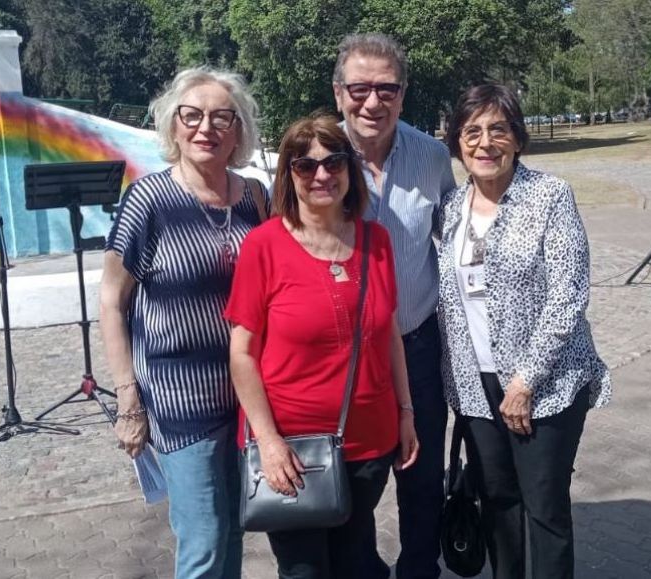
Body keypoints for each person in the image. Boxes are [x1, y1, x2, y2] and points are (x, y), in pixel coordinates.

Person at [225, 115, 419, 579]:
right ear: (288, 176)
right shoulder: (263, 246)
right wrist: (268, 443)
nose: (321, 175)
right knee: (305, 570)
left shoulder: (377, 241)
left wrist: (406, 412)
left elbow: (387, 332)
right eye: (305, 166)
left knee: (357, 561)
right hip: (292, 448)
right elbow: (242, 354)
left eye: (334, 162)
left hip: (369, 438)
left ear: (350, 169)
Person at [437, 82, 612, 579]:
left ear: (517, 138)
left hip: (547, 384)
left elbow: (568, 296)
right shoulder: (452, 208)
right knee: (497, 501)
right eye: (472, 132)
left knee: (545, 508)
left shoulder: (549, 196)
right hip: (476, 386)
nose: (485, 143)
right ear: (457, 142)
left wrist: (525, 381)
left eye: (499, 129)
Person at [100, 66, 267, 579]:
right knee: (203, 538)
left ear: (239, 131)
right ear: (172, 126)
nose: (206, 129)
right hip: (179, 398)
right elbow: (111, 301)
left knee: (238, 525)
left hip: (248, 395)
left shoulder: (255, 197)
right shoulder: (148, 200)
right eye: (191, 116)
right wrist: (128, 400)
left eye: (222, 118)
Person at [332, 32, 456, 579]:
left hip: (418, 343)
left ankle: (418, 571)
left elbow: (454, 243)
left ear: (403, 96)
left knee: (422, 476)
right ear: (339, 94)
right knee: (353, 484)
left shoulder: (431, 156)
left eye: (387, 89)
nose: (372, 101)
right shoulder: (318, 160)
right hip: (347, 358)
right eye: (359, 88)